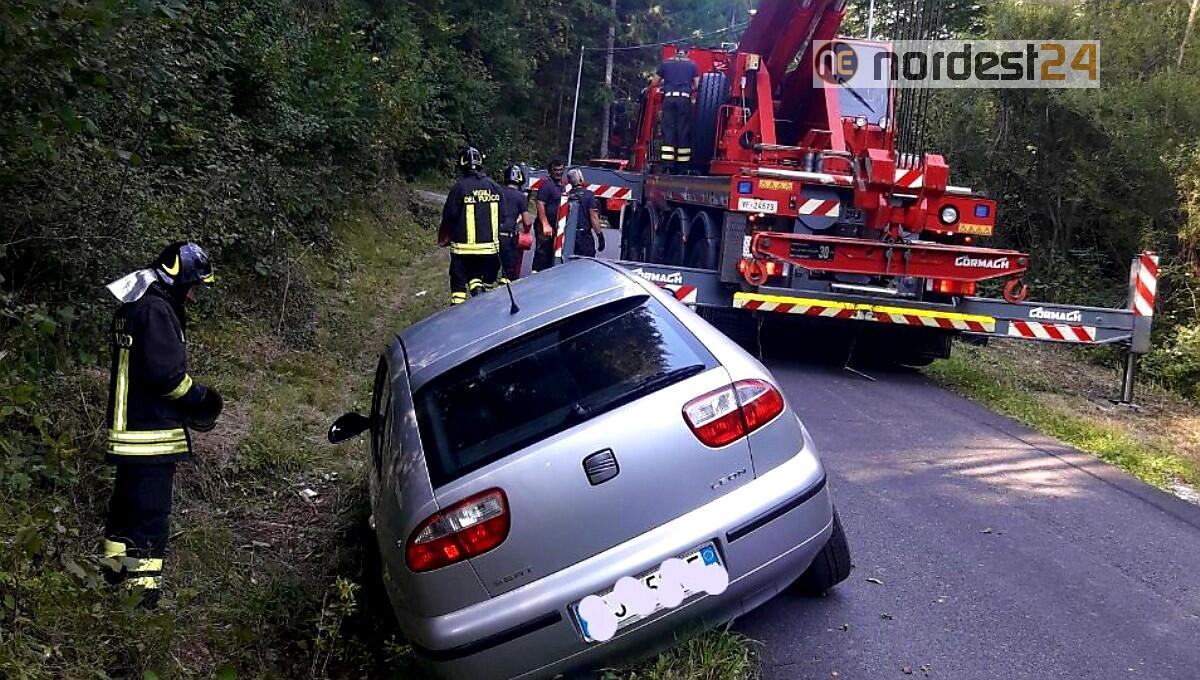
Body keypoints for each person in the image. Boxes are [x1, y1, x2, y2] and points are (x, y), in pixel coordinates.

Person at [101, 242, 223, 607]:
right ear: (176, 278)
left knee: (123, 517)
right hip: (149, 436)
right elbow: (167, 377)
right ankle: (141, 602)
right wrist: (201, 399)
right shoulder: (155, 310)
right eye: (193, 286)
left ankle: (113, 581)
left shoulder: (135, 305)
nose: (193, 296)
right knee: (150, 522)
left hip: (126, 435)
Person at [440, 146, 504, 304]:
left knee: (458, 283)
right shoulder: (494, 187)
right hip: (490, 250)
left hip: (463, 250)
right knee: (476, 277)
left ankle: (457, 310)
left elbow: (449, 215)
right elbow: (503, 215)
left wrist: (445, 236)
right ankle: (480, 301)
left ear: (461, 165)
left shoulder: (459, 188)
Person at [650, 44, 700, 170]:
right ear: (687, 53)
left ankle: (667, 165)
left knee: (668, 130)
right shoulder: (692, 65)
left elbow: (654, 83)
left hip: (669, 99)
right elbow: (697, 86)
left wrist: (665, 85)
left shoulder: (665, 64)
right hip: (684, 100)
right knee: (683, 130)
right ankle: (682, 166)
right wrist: (687, 90)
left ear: (676, 51)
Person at [498, 164, 534, 281]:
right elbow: (527, 222)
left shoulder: (496, 192)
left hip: (491, 236)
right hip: (508, 238)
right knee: (508, 273)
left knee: (489, 272)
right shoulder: (521, 197)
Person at [534, 159, 566, 271]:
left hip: (557, 226)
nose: (558, 172)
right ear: (550, 171)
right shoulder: (547, 185)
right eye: (556, 170)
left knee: (553, 255)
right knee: (542, 254)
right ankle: (535, 275)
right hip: (546, 226)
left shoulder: (562, 186)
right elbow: (540, 204)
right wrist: (545, 224)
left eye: (561, 170)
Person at [566, 168, 605, 257]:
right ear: (580, 179)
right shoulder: (589, 195)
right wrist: (600, 236)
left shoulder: (567, 196)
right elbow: (594, 217)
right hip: (584, 236)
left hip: (568, 235)